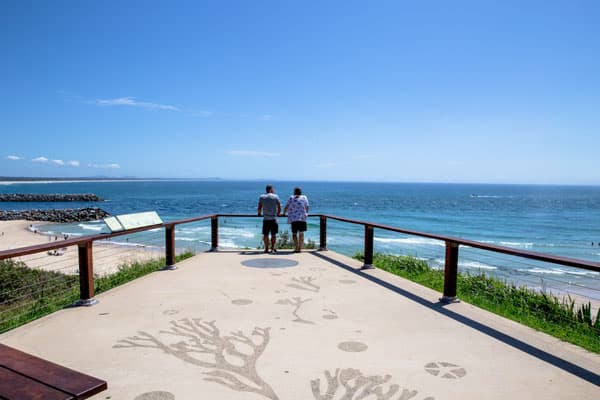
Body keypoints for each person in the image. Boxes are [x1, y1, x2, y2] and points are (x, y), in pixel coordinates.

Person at [284, 187, 309, 253]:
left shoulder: (291, 198)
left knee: (294, 234)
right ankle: (300, 248)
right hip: (302, 218)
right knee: (301, 233)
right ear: (301, 192)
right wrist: (306, 213)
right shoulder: (304, 197)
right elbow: (307, 206)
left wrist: (283, 213)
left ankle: (296, 248)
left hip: (294, 219)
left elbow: (287, 206)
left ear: (294, 192)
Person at [257, 184, 281, 253]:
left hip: (266, 219)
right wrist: (278, 214)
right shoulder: (275, 196)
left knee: (265, 235)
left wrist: (259, 213)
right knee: (273, 235)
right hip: (273, 218)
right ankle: (272, 248)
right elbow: (279, 206)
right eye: (273, 189)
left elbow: (259, 207)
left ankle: (266, 248)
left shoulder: (262, 197)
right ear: (271, 189)